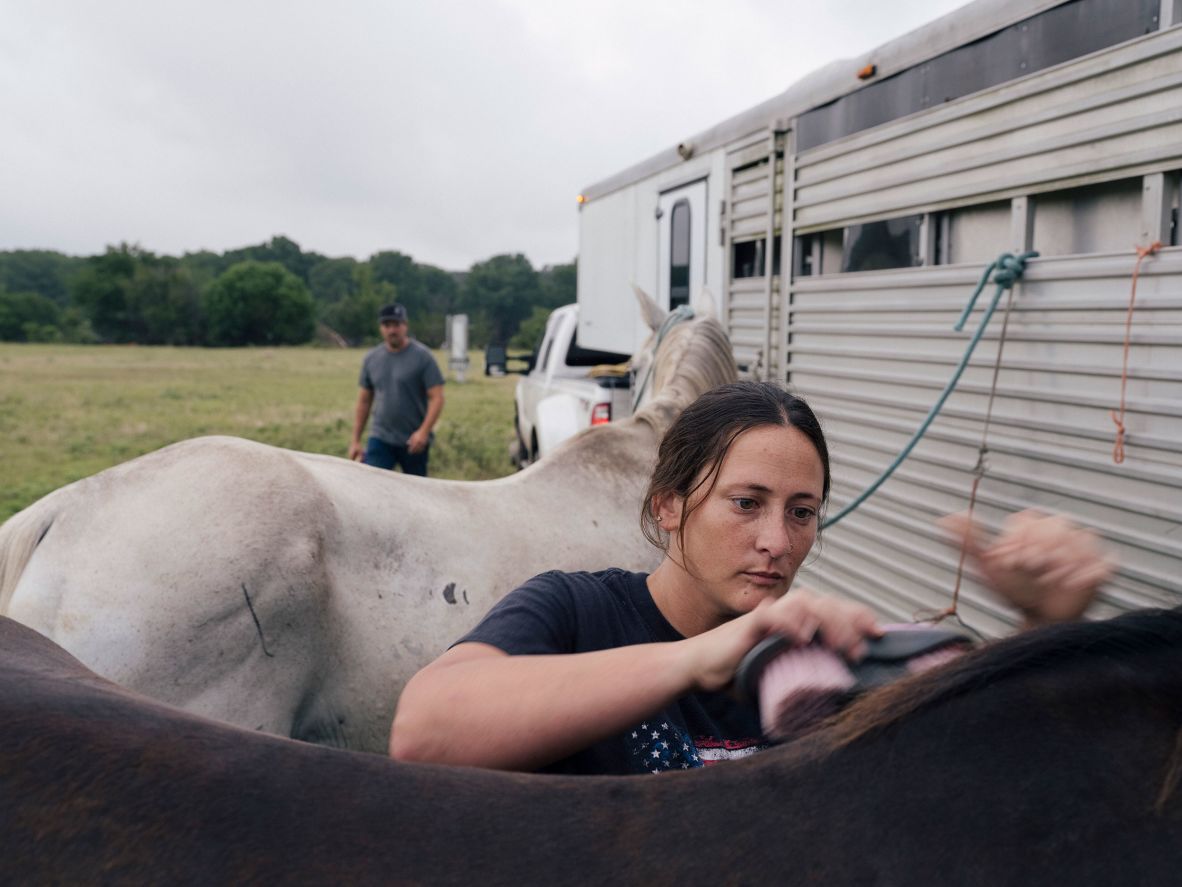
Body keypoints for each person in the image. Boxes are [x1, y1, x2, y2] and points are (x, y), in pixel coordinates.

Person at [389, 381, 1112, 775]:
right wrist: (700, 657)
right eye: (746, 503)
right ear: (667, 505)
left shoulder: (822, 662)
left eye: (802, 512)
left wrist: (1046, 629)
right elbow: (424, 730)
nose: (777, 541)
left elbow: (987, 766)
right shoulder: (576, 609)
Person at [348, 303, 445, 477]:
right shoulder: (372, 358)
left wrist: (423, 432)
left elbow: (437, 397)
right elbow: (364, 400)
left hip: (413, 440)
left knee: (417, 492)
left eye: (396, 325)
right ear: (381, 328)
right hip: (381, 437)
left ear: (405, 325)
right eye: (387, 325)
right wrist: (355, 440)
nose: (392, 330)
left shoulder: (423, 357)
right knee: (371, 484)